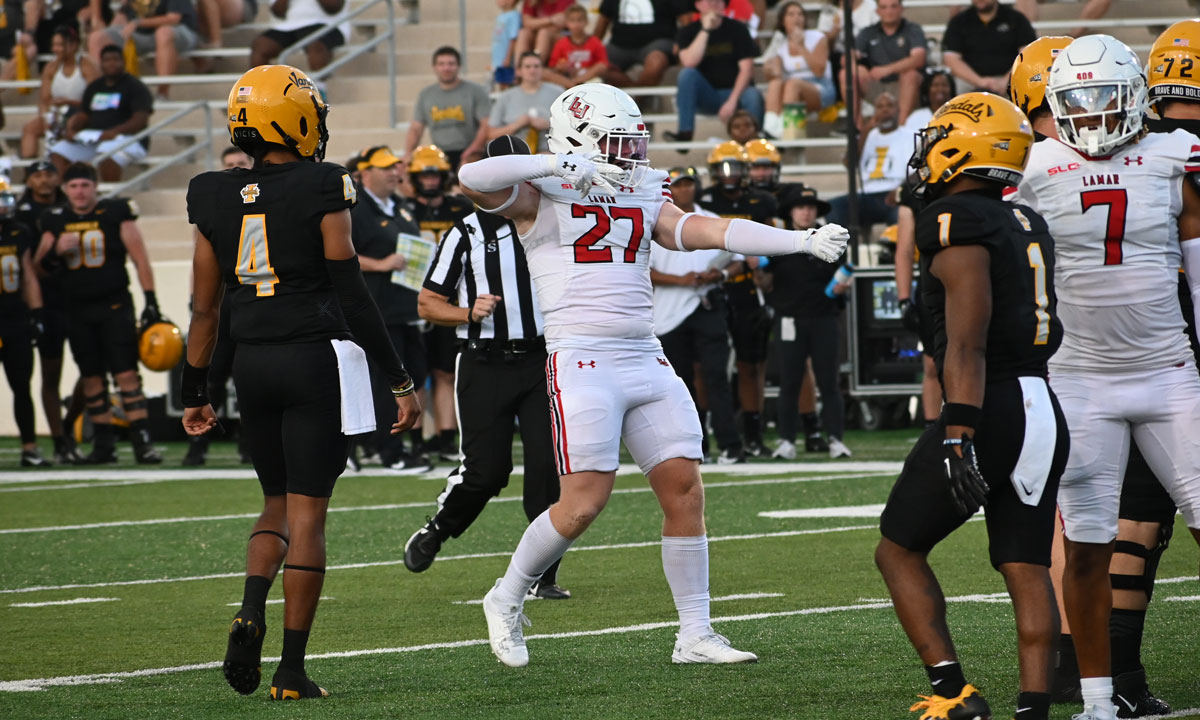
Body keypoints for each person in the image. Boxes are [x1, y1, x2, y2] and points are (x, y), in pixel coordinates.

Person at [455, 82, 847, 669]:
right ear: (578, 141)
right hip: (580, 356)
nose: (630, 154)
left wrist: (797, 241)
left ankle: (694, 632)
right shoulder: (541, 188)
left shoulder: (640, 184)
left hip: (644, 352)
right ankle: (505, 596)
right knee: (582, 505)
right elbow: (473, 177)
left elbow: (700, 231)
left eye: (633, 141)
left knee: (685, 490)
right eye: (616, 142)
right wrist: (553, 162)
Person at [184, 64, 420, 701]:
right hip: (310, 360)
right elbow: (352, 290)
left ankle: (249, 608)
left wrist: (195, 390)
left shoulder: (210, 191)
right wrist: (398, 378)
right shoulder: (323, 183)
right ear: (293, 119)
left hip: (251, 364)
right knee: (309, 516)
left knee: (272, 504)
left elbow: (205, 308)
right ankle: (290, 670)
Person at [1011, 35, 1200, 720]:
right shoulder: (1031, 165)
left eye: (1104, 100)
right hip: (1079, 381)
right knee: (1088, 545)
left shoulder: (1174, 152)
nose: (1091, 116)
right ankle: (1097, 699)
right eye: (1076, 104)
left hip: (1169, 372)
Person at [876, 91, 1068, 720]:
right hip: (1042, 400)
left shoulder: (955, 218)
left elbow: (967, 341)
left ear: (962, 148)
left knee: (897, 548)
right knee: (1026, 562)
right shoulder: (1024, 217)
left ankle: (953, 692)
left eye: (937, 140)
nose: (926, 152)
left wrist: (958, 432)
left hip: (988, 405)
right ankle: (1034, 707)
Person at [406, 134, 569, 598]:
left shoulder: (558, 221)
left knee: (546, 467)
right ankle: (438, 529)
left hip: (542, 359)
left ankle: (543, 573)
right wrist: (467, 313)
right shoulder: (466, 233)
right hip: (484, 362)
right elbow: (427, 302)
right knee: (487, 470)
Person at [34, 161, 162, 464]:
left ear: (95, 187)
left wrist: (151, 300)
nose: (79, 192)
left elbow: (140, 258)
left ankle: (142, 440)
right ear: (65, 189)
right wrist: (55, 252)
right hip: (76, 309)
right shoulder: (56, 219)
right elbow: (39, 267)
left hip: (114, 304)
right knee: (91, 377)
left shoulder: (116, 212)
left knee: (126, 372)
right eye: (74, 186)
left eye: (85, 185)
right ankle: (104, 444)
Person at [347, 144, 431, 474]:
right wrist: (380, 264)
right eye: (385, 167)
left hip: (406, 307)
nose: (394, 173)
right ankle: (390, 449)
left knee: (416, 373)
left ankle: (380, 442)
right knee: (388, 382)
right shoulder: (355, 208)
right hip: (377, 309)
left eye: (396, 167)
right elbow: (339, 253)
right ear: (364, 172)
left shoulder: (401, 207)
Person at [650, 166, 743, 464]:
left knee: (717, 376)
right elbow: (644, 271)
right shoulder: (652, 222)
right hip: (668, 313)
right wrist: (683, 280)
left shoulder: (712, 219)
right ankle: (695, 446)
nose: (685, 190)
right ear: (669, 190)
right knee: (681, 383)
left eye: (690, 184)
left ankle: (731, 444)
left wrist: (720, 274)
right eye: (679, 185)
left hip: (706, 305)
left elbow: (738, 261)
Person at [699, 140, 777, 457]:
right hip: (711, 292)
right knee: (705, 368)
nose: (730, 175)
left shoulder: (761, 201)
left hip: (746, 291)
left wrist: (765, 266)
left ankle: (753, 434)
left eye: (735, 167)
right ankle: (700, 434)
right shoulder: (705, 201)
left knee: (750, 365)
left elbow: (770, 242)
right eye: (723, 168)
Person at [764, 186, 851, 460]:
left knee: (829, 382)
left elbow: (844, 275)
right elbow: (765, 282)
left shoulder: (832, 241)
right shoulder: (778, 241)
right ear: (790, 212)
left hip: (825, 318)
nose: (806, 211)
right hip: (789, 319)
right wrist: (756, 270)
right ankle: (787, 441)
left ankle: (836, 439)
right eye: (801, 207)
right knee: (789, 382)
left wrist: (842, 288)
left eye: (811, 207)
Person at [407, 144, 474, 461]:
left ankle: (447, 436)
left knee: (446, 371)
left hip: (452, 297)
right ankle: (418, 437)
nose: (430, 181)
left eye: (435, 175)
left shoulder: (460, 208)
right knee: (415, 373)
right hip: (414, 298)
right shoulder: (405, 209)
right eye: (424, 175)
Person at [16, 160, 81, 465]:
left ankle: (68, 426)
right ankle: (58, 437)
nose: (44, 181)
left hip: (80, 299)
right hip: (48, 302)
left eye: (49, 174)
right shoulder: (21, 216)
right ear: (29, 181)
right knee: (50, 373)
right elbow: (27, 266)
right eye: (37, 176)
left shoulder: (75, 206)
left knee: (93, 372)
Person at [0, 178, 50, 467]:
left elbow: (28, 274)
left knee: (22, 386)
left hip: (14, 317)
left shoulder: (20, 231)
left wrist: (37, 312)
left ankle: (29, 447)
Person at [48, 44, 151, 182]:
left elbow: (140, 119)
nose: (111, 63)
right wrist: (72, 129)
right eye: (107, 60)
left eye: (116, 60)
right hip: (95, 138)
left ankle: (110, 197)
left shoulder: (135, 86)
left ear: (124, 62)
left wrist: (113, 132)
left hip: (128, 139)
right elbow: (84, 114)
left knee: (106, 153)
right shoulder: (95, 87)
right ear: (101, 63)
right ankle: (62, 197)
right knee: (58, 151)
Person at [666, 0, 764, 144]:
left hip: (737, 93)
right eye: (708, 0)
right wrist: (705, 30)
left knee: (753, 95)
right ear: (698, 5)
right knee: (687, 74)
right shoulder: (687, 31)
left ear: (725, 5)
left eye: (718, 1)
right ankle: (684, 132)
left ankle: (755, 143)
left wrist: (732, 101)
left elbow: (747, 68)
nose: (713, 3)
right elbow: (689, 62)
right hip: (707, 95)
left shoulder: (738, 28)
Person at [88, 0, 201, 99]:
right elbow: (123, 16)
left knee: (163, 33)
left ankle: (162, 94)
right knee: (96, 38)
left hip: (180, 31)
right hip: (143, 34)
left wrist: (138, 22)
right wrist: (113, 31)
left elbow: (174, 18)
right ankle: (102, 92)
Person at [827, 91, 905, 230]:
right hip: (867, 195)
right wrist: (864, 133)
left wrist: (901, 190)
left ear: (898, 110)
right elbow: (849, 164)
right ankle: (842, 250)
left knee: (901, 213)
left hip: (895, 194)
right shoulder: (867, 135)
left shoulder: (909, 135)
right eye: (880, 107)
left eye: (889, 105)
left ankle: (893, 250)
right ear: (875, 112)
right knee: (834, 207)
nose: (885, 109)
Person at [406, 46, 491, 170]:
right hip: (439, 154)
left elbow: (486, 124)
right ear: (434, 67)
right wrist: (408, 154)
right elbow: (416, 128)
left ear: (458, 66)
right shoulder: (426, 95)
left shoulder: (475, 91)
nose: (446, 68)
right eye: (441, 64)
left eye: (451, 64)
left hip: (470, 153)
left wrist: (473, 150)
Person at [842, 0, 925, 126]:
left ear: (901, 9)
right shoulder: (869, 32)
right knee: (845, 74)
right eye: (884, 7)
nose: (889, 11)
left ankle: (901, 127)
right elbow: (847, 58)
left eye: (893, 6)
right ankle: (857, 127)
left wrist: (887, 69)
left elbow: (919, 58)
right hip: (877, 86)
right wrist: (856, 68)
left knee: (911, 75)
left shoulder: (912, 29)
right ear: (877, 11)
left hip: (902, 86)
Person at [21, 26, 98, 159]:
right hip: (57, 115)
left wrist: (69, 102)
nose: (55, 49)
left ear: (73, 45)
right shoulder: (50, 68)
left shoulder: (87, 67)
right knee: (29, 129)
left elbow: (94, 101)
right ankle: (31, 168)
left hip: (82, 114)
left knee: (70, 124)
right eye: (54, 45)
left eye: (60, 45)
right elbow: (44, 100)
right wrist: (46, 118)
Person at [763, 1, 834, 138]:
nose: (797, 18)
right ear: (783, 20)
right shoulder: (780, 43)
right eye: (791, 14)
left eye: (800, 14)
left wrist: (801, 47)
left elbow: (819, 71)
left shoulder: (817, 37)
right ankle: (770, 129)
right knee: (775, 84)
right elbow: (775, 75)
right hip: (792, 89)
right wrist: (769, 68)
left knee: (792, 84)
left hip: (820, 87)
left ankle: (788, 133)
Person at [942, 0, 1034, 95]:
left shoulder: (1016, 19)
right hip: (970, 81)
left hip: (1010, 79)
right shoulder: (959, 21)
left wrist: (1006, 81)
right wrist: (980, 82)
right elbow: (951, 59)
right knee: (955, 86)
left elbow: (1027, 54)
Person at [593, 0, 689, 88]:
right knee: (599, 66)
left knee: (656, 61)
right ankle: (635, 98)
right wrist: (590, 50)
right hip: (619, 45)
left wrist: (682, 43)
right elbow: (601, 24)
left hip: (658, 43)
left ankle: (637, 102)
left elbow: (686, 20)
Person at [249, 0, 346, 79]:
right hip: (290, 25)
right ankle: (266, 92)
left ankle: (321, 90)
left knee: (316, 43)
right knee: (260, 46)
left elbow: (334, 7)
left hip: (327, 23)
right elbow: (278, 12)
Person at [488, 52, 563, 154]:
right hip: (514, 154)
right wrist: (517, 125)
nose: (532, 70)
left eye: (536, 66)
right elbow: (491, 134)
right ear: (519, 71)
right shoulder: (505, 97)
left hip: (548, 154)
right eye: (527, 67)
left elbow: (572, 127)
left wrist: (549, 125)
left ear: (542, 69)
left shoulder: (558, 93)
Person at [542, 4, 608, 88]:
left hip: (588, 78)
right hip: (567, 78)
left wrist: (586, 72)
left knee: (601, 66)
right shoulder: (561, 43)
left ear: (586, 21)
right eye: (572, 20)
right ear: (566, 23)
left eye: (579, 20)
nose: (576, 24)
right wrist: (560, 67)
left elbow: (603, 65)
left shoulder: (595, 42)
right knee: (544, 72)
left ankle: (576, 84)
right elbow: (553, 67)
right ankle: (574, 85)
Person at [515, 0, 570, 65]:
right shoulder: (531, 2)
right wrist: (551, 20)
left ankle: (536, 67)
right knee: (523, 33)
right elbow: (526, 23)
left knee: (543, 33)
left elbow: (561, 23)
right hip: (538, 33)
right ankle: (518, 69)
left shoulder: (566, 1)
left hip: (560, 36)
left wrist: (536, 24)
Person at [902, 68, 955, 133]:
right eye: (935, 85)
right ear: (927, 89)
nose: (940, 89)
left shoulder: (958, 114)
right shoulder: (916, 116)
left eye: (944, 85)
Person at [490, 0, 522, 89]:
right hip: (498, 58)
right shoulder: (500, 16)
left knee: (506, 84)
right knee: (500, 83)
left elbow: (513, 37)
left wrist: (508, 57)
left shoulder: (514, 16)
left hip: (505, 58)